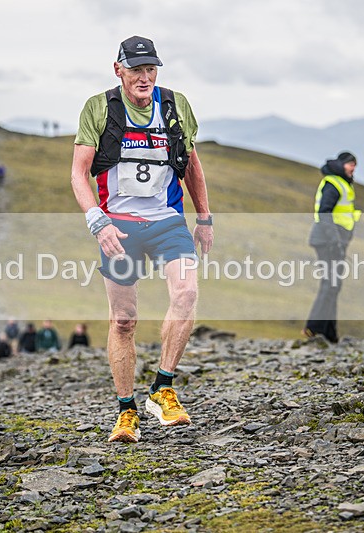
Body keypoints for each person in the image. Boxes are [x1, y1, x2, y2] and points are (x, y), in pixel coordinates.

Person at [71, 36, 213, 443]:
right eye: (136, 69)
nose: (145, 77)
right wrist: (97, 221)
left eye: (151, 69)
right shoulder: (100, 108)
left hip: (168, 220)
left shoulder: (174, 105)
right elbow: (79, 173)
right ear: (118, 70)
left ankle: (163, 387)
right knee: (123, 320)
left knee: (186, 294)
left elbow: (191, 165)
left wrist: (204, 217)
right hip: (117, 224)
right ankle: (125, 411)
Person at [303, 152, 360, 343]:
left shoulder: (343, 183)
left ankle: (329, 333)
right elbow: (324, 212)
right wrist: (335, 241)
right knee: (330, 284)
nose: (353, 168)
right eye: (350, 164)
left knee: (334, 285)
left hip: (335, 241)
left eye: (355, 165)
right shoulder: (333, 183)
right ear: (341, 164)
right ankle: (314, 328)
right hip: (328, 241)